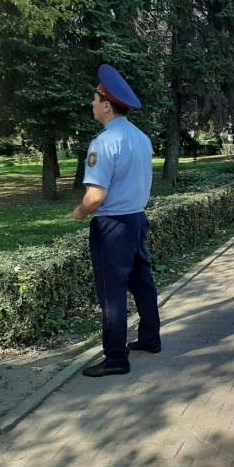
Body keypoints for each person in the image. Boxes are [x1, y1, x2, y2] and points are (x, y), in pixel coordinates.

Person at [72, 64, 161, 378]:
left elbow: (95, 197)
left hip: (111, 225)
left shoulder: (104, 142)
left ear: (107, 105)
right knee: (142, 282)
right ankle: (150, 337)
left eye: (95, 99)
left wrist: (79, 212)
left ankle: (115, 359)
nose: (92, 104)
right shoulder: (141, 137)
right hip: (136, 218)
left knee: (112, 293)